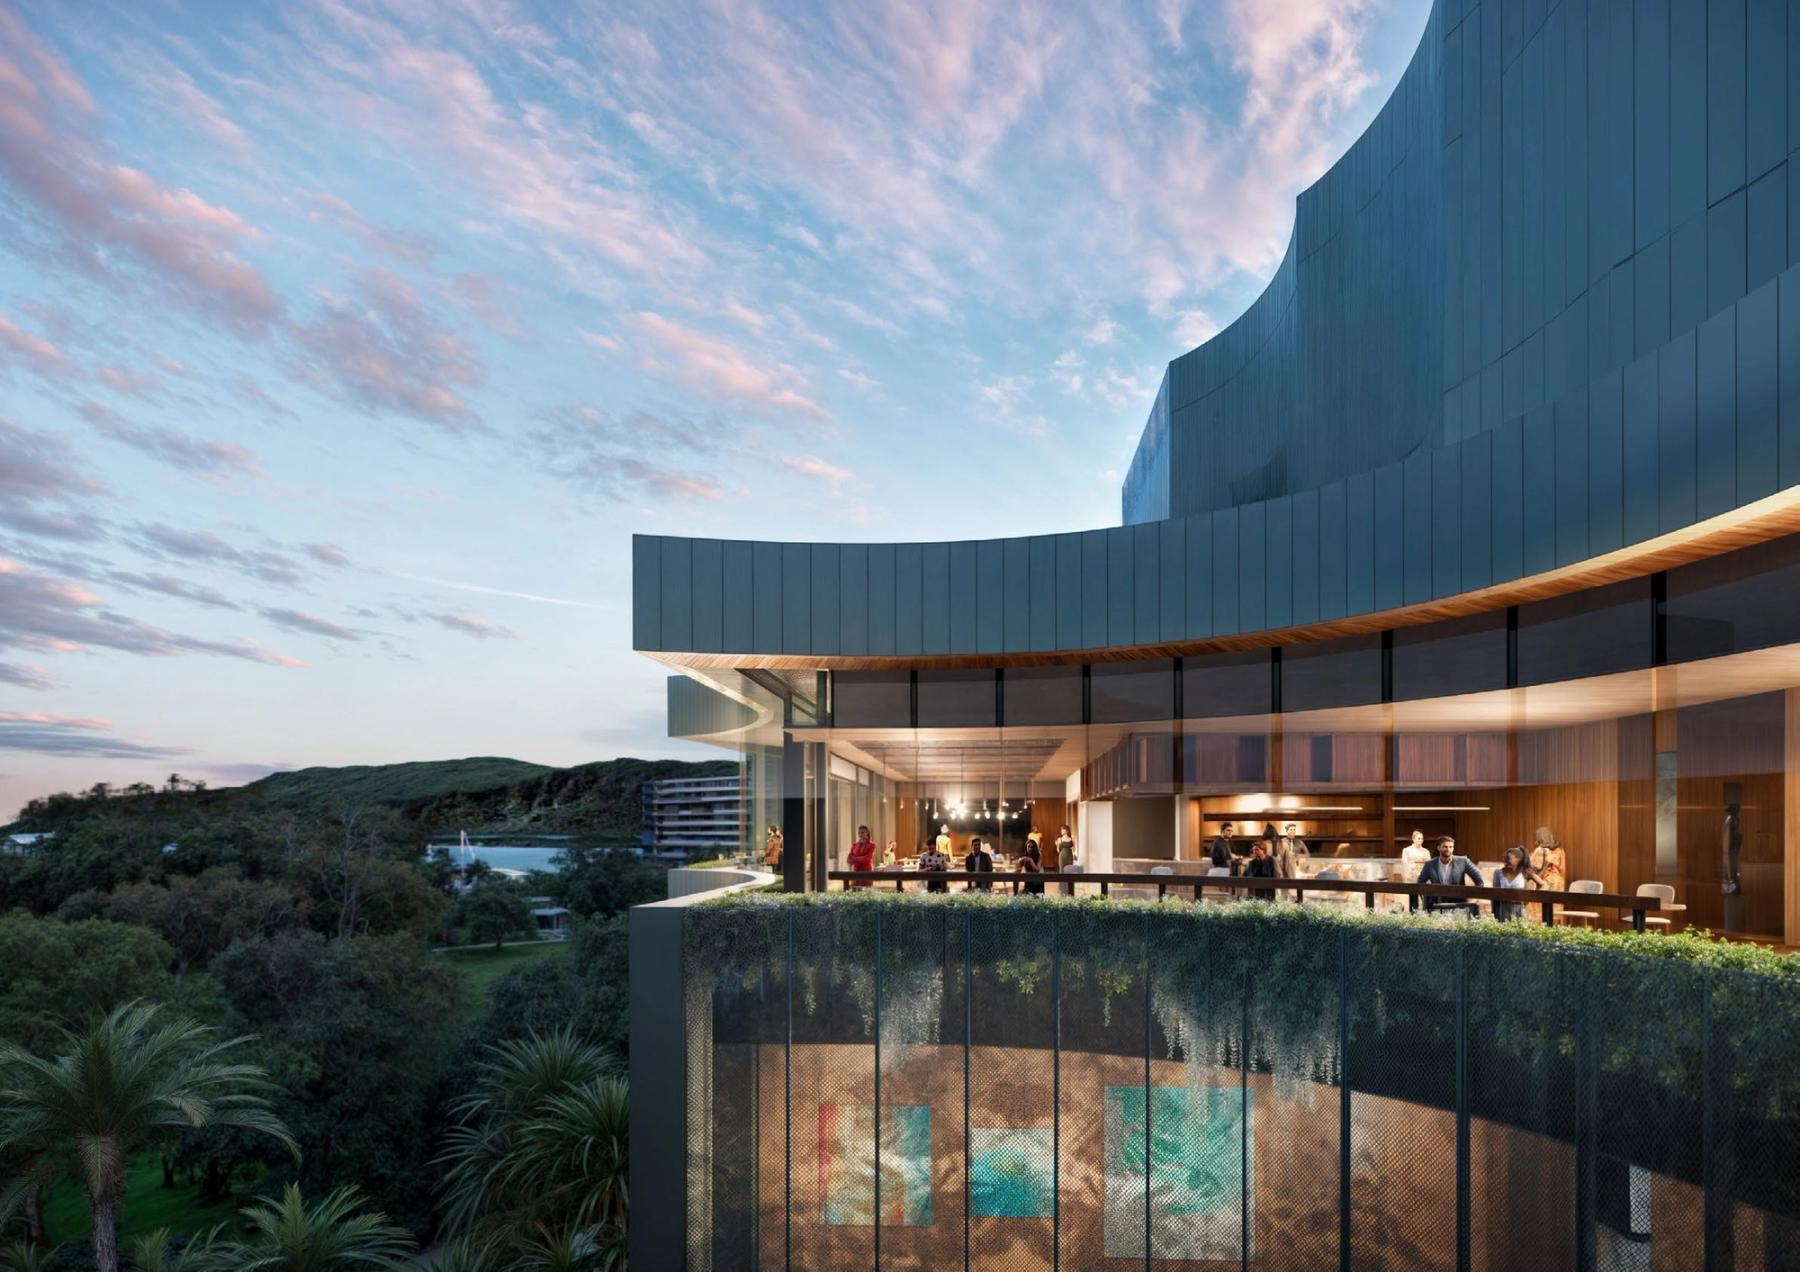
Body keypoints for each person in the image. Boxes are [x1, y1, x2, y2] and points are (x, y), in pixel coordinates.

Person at [1416, 835, 1484, 915]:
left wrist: (1475, 898)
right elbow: (1420, 883)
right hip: (1436, 906)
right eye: (1445, 847)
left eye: (1451, 847)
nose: (1448, 849)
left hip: (1458, 905)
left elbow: (1479, 879)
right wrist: (1426, 900)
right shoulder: (1430, 864)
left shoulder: (1463, 861)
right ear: (1438, 848)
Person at [1492, 845, 1539, 921]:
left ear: (1518, 860)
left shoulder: (1525, 873)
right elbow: (1493, 896)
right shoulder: (1498, 873)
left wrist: (1532, 897)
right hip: (1502, 912)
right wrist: (1494, 913)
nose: (1505, 861)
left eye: (1508, 859)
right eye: (1505, 858)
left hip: (1519, 912)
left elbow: (1542, 884)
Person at [1530, 827, 1566, 893]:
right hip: (1556, 881)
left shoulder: (1539, 850)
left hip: (1543, 880)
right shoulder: (1560, 850)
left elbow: (1535, 867)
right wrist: (1555, 865)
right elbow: (1562, 869)